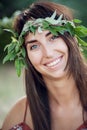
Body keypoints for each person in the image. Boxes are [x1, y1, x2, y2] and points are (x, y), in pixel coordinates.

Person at [1, 1, 87, 130]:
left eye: (53, 37)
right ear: (25, 57)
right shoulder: (20, 114)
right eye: (34, 46)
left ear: (71, 38)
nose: (48, 53)